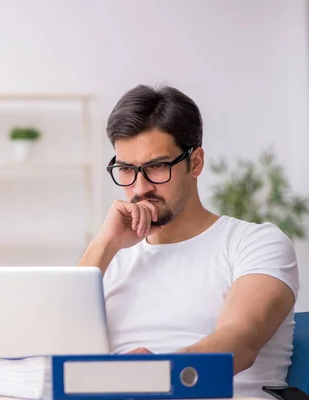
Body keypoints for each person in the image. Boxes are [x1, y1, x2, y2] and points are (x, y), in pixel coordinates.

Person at [78, 84, 298, 399]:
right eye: (126, 169)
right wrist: (104, 245)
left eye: (156, 167)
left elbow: (242, 339)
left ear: (194, 163)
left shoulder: (254, 243)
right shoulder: (110, 258)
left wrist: (153, 376)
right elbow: (55, 344)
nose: (140, 187)